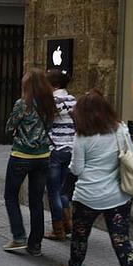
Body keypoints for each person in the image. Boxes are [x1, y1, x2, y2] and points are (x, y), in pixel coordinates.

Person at [58, 89, 133, 266]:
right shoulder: (120, 129)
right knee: (121, 240)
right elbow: (130, 154)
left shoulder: (82, 136)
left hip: (88, 196)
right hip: (118, 196)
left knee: (80, 235)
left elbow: (76, 169)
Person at [2, 68, 56, 256]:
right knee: (36, 201)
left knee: (10, 196)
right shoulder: (50, 104)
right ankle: (35, 245)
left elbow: (10, 126)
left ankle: (19, 237)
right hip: (42, 157)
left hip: (21, 156)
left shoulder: (22, 104)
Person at [44, 69, 77, 240]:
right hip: (71, 149)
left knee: (53, 191)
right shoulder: (73, 100)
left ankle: (58, 230)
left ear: (54, 85)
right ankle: (68, 223)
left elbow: (45, 123)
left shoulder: (51, 101)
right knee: (64, 190)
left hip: (55, 149)